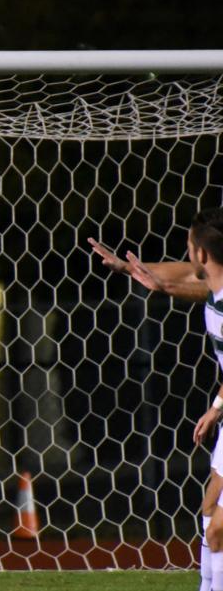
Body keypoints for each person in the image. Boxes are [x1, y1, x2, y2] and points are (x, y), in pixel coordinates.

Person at [89, 213, 221, 591]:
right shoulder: (215, 291)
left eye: (189, 246)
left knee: (218, 528)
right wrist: (134, 269)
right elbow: (188, 277)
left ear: (202, 252)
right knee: (210, 515)